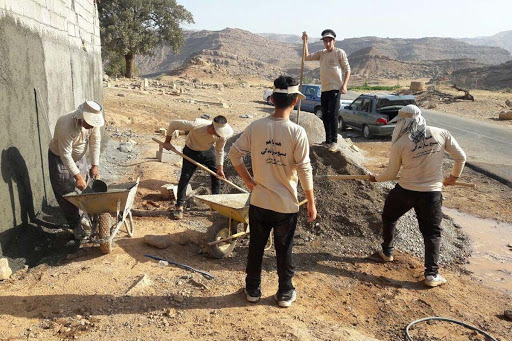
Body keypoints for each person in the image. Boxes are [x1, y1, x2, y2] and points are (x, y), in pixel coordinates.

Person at [228, 75, 317, 308]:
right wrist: (310, 201)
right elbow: (304, 168)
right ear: (295, 102)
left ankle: (252, 289)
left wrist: (248, 181)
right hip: (285, 206)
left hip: (259, 201)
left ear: (273, 99)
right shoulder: (297, 132)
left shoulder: (256, 127)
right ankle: (285, 293)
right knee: (284, 249)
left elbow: (234, 154)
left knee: (256, 247)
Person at [368, 104, 466, 287]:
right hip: (431, 194)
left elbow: (390, 174)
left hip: (405, 190)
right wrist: (453, 177)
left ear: (402, 122)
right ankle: (431, 275)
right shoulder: (441, 133)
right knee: (432, 233)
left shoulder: (401, 143)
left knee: (389, 217)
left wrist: (375, 178)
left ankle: (387, 252)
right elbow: (460, 157)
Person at [48, 100, 104, 239]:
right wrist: (77, 176)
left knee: (83, 190)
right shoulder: (65, 125)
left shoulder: (92, 123)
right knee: (68, 194)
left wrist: (95, 165)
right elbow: (65, 155)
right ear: (81, 117)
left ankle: (82, 217)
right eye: (89, 123)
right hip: (60, 160)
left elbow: (95, 141)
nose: (91, 126)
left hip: (80, 158)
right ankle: (75, 226)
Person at [162, 116, 233, 220]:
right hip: (190, 151)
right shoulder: (196, 125)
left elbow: (219, 150)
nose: (220, 136)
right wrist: (167, 141)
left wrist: (220, 168)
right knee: (185, 177)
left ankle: (215, 204)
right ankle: (179, 206)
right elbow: (173, 124)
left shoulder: (222, 136)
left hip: (208, 151)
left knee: (217, 176)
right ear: (213, 128)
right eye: (218, 133)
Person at [302, 29, 351, 152]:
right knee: (325, 115)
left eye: (329, 41)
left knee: (333, 114)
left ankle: (334, 141)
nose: (327, 43)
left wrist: (344, 85)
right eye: (325, 41)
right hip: (324, 89)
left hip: (335, 88)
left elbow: (347, 69)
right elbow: (306, 57)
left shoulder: (339, 53)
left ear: (334, 41)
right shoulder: (322, 53)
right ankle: (328, 139)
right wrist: (305, 42)